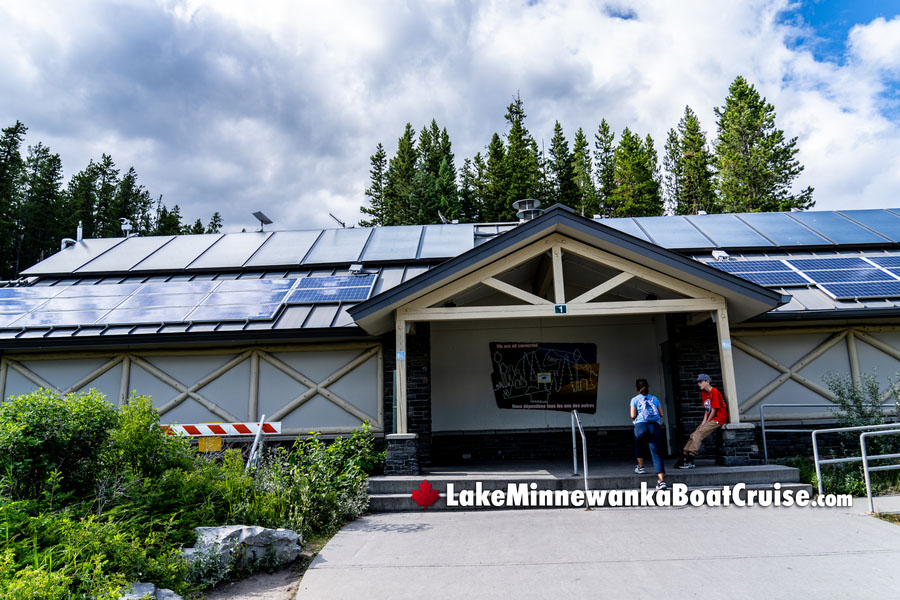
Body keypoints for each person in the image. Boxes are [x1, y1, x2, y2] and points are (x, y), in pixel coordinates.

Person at [675, 373, 727, 469]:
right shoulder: (704, 393)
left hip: (718, 419)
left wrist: (706, 423)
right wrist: (703, 423)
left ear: (707, 382)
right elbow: (707, 410)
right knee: (694, 434)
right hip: (711, 418)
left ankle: (690, 459)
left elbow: (714, 410)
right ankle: (684, 456)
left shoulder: (714, 392)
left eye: (700, 382)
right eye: (698, 382)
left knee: (698, 435)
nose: (699, 384)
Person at [630, 378, 667, 490]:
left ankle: (641, 467)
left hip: (641, 426)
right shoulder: (654, 398)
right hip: (654, 426)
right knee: (656, 453)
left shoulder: (634, 399)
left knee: (639, 443)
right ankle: (661, 481)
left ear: (637, 389)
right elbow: (661, 414)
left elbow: (632, 415)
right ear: (647, 387)